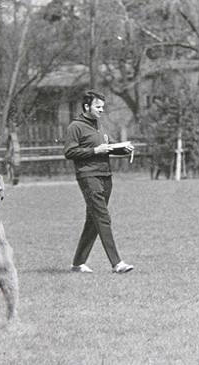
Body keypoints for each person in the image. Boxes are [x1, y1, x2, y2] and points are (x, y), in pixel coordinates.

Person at [64, 90, 135, 274]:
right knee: (102, 217)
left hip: (105, 176)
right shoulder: (75, 127)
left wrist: (124, 149)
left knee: (93, 220)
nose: (101, 110)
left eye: (103, 107)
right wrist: (94, 151)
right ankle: (117, 263)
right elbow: (69, 152)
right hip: (88, 176)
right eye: (98, 106)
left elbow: (108, 147)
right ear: (87, 107)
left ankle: (78, 263)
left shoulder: (99, 126)